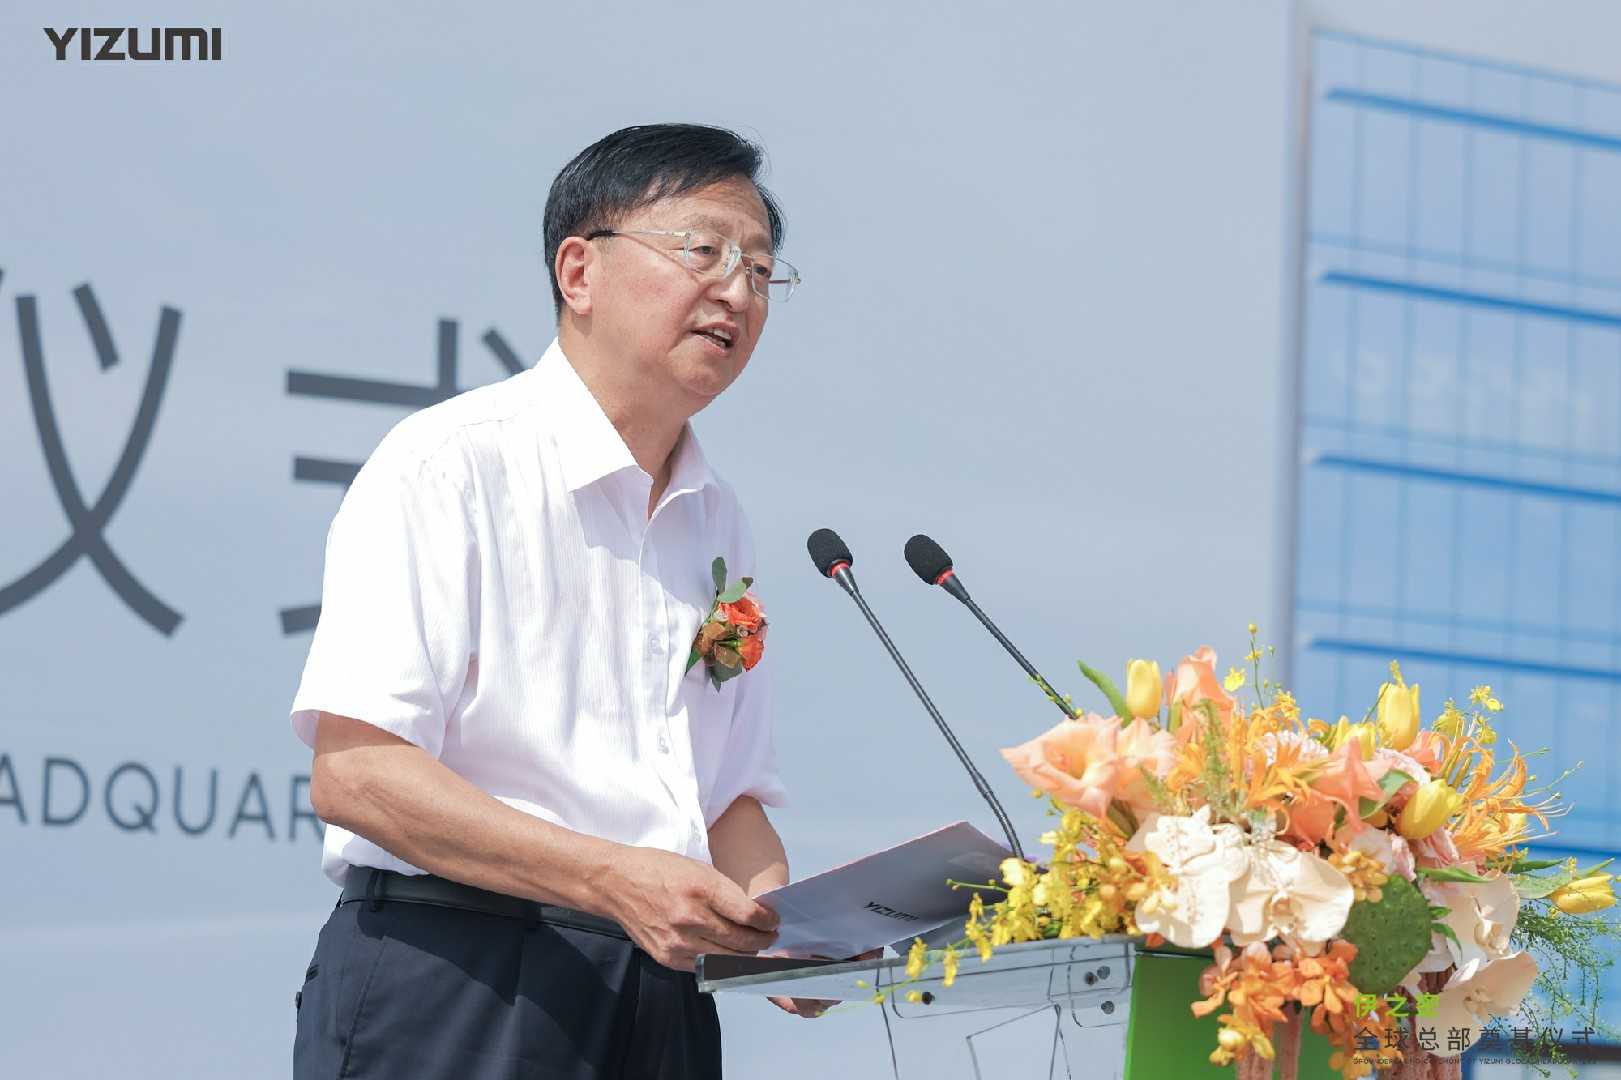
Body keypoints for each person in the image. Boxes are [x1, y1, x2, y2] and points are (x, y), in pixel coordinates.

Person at [289, 123, 816, 1080]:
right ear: (579, 272)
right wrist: (612, 879)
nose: (736, 292)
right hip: (463, 974)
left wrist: (790, 928)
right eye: (703, 251)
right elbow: (357, 775)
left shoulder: (718, 519)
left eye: (759, 269)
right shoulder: (450, 462)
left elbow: (725, 799)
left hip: (660, 994)